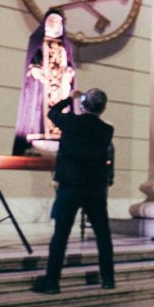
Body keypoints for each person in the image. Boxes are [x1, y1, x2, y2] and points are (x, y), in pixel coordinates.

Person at [32, 89, 115, 294]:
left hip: (70, 187)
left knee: (61, 235)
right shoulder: (106, 130)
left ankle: (52, 282)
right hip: (95, 189)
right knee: (103, 235)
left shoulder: (70, 122)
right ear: (103, 108)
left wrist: (70, 99)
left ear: (83, 105)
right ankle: (108, 279)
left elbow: (52, 113)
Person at [13, 9, 76, 155]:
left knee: (61, 112)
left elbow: (69, 64)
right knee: (42, 110)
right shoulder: (38, 41)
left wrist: (68, 74)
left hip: (60, 87)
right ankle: (38, 138)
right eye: (52, 21)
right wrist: (37, 72)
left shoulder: (65, 44)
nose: (55, 24)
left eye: (59, 22)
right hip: (43, 86)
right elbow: (33, 61)